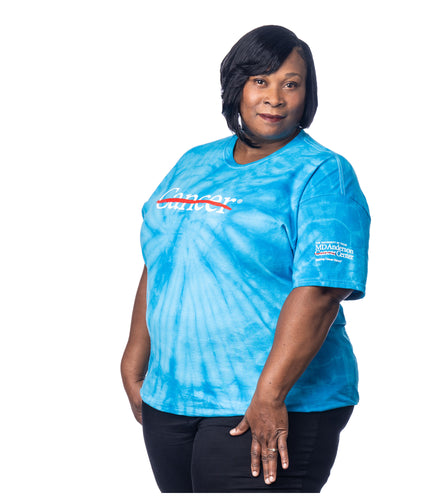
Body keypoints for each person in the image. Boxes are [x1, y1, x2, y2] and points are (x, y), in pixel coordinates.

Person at [121, 25, 370, 493]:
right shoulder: (195, 161)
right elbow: (162, 255)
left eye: (291, 84)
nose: (275, 97)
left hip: (272, 402)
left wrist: (270, 395)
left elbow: (320, 290)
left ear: (307, 94)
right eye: (261, 81)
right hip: (173, 396)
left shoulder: (322, 173)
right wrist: (137, 358)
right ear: (237, 87)